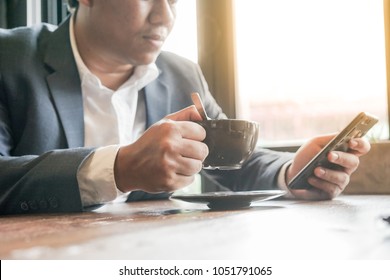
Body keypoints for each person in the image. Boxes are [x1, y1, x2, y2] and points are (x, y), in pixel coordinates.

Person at [0, 0, 370, 215]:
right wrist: (118, 168)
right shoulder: (8, 58)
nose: (165, 17)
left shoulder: (180, 73)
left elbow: (230, 159)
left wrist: (291, 171)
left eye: (174, 0)